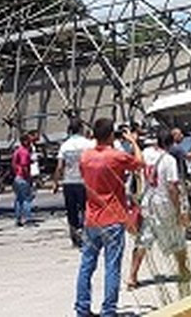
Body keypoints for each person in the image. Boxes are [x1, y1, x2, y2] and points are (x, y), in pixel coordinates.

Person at [74, 118, 143, 317]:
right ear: (111, 135)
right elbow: (139, 163)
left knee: (87, 265)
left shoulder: (85, 157)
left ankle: (82, 308)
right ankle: (108, 311)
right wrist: (134, 142)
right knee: (112, 266)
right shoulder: (116, 157)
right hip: (112, 218)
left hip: (92, 218)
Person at [128, 130, 190, 289]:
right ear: (170, 143)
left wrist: (133, 142)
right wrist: (179, 210)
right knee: (178, 238)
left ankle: (132, 276)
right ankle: (183, 270)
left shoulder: (147, 153)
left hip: (148, 203)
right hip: (164, 204)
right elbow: (172, 187)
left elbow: (136, 164)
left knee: (143, 241)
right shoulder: (169, 160)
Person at [55, 118, 95, 247]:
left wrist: (56, 182)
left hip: (69, 182)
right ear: (81, 129)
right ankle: (85, 234)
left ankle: (74, 237)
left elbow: (60, 166)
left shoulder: (65, 145)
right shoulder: (88, 144)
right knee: (85, 209)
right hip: (84, 181)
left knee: (71, 210)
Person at [12, 132, 35, 226]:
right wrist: (28, 177)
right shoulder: (24, 152)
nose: (31, 142)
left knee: (19, 199)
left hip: (17, 177)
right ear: (25, 141)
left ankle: (18, 218)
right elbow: (24, 165)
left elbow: (14, 164)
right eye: (29, 140)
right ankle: (27, 219)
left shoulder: (17, 151)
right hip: (23, 177)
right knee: (27, 199)